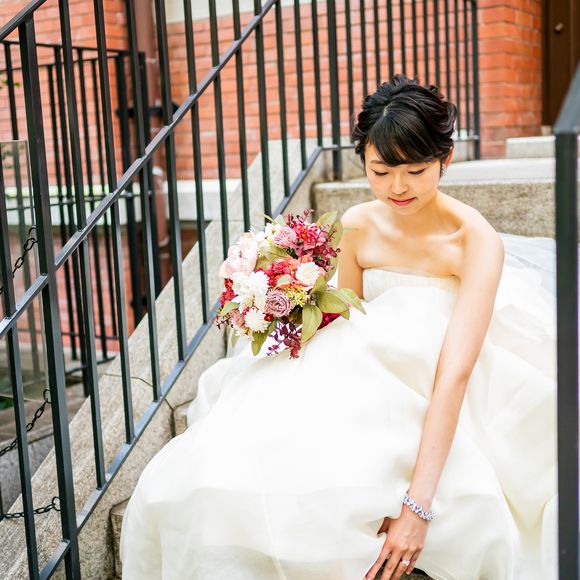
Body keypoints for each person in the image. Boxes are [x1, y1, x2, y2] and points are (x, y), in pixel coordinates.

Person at [119, 74, 558, 580]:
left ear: (446, 159)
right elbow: (345, 320)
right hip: (371, 367)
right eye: (380, 171)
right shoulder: (359, 223)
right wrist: (280, 302)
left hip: (442, 374)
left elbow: (454, 374)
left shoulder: (474, 241)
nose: (398, 188)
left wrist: (417, 508)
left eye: (415, 171)